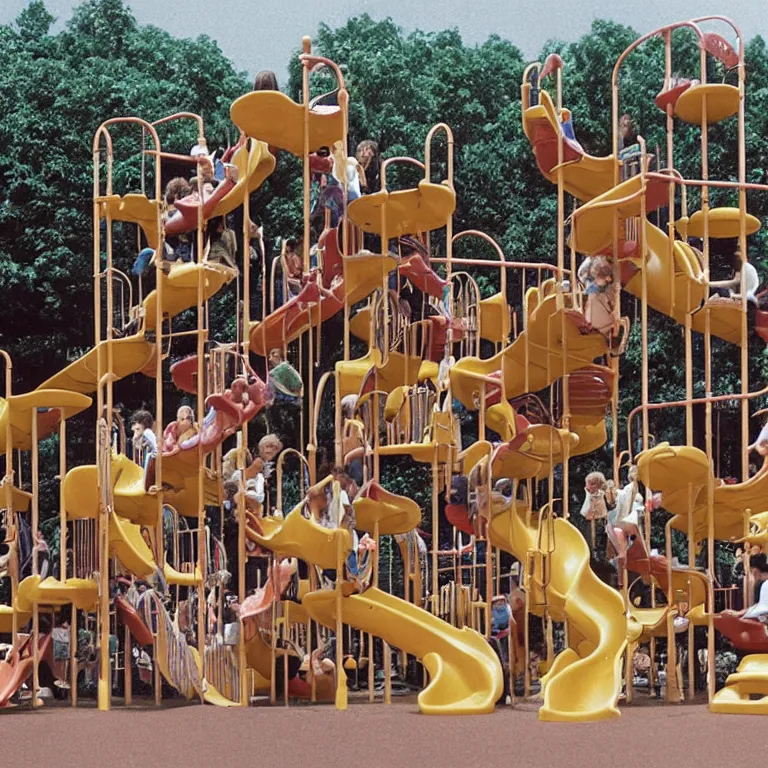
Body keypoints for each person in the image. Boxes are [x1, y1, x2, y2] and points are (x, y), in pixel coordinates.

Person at [709, 240, 760, 306]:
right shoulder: (739, 267)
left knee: (719, 291)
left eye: (739, 250)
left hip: (745, 297)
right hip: (738, 295)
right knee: (717, 293)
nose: (736, 253)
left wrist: (710, 284)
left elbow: (735, 282)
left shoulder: (745, 267)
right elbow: (733, 285)